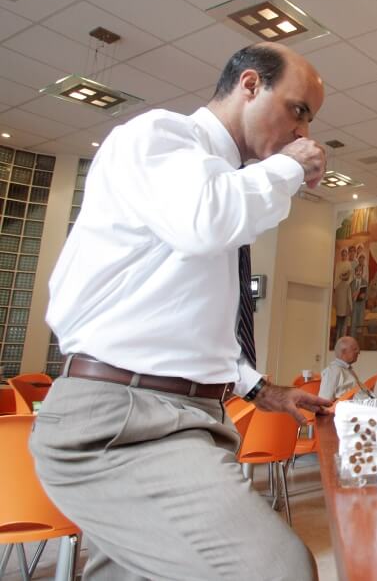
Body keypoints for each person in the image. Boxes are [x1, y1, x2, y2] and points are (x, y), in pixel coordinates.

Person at [31, 43, 333, 580]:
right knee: (279, 571)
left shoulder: (223, 182)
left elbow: (187, 328)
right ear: (248, 86)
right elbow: (206, 219)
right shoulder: (160, 137)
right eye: (298, 109)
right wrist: (289, 167)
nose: (303, 132)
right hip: (121, 420)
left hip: (188, 419)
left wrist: (266, 392)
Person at [318, 336, 374, 400]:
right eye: (355, 349)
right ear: (343, 352)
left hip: (367, 405)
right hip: (356, 408)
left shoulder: (348, 369)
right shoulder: (332, 371)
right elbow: (324, 400)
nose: (358, 352)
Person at [334, 248, 353, 341]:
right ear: (341, 255)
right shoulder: (338, 287)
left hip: (344, 309)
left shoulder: (347, 286)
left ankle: (341, 340)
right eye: (343, 254)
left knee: (343, 325)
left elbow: (349, 298)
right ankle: (339, 340)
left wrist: (350, 308)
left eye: (346, 254)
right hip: (340, 310)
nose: (344, 256)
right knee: (340, 324)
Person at [351, 261, 368, 340]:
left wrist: (364, 296)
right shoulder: (352, 283)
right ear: (355, 272)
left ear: (362, 272)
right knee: (353, 323)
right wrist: (353, 295)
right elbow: (349, 296)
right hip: (354, 305)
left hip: (361, 305)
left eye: (360, 271)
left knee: (360, 323)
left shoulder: (365, 282)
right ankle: (352, 340)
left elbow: (367, 296)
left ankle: (360, 341)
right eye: (357, 271)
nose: (358, 272)